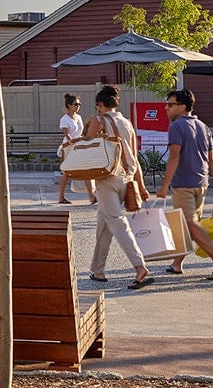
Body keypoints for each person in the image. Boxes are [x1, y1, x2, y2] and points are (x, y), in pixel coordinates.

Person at [86, 84, 153, 289]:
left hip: (108, 179)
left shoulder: (98, 121)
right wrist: (141, 186)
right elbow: (135, 156)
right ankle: (98, 270)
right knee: (104, 224)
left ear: (99, 105)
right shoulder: (127, 123)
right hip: (129, 178)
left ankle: (140, 266)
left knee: (117, 223)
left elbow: (86, 149)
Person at [155, 88, 213, 277]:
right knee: (188, 224)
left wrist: (164, 185)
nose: (166, 108)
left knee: (189, 224)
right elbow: (211, 158)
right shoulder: (203, 126)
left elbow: (174, 157)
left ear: (182, 106)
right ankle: (177, 263)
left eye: (170, 104)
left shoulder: (177, 126)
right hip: (201, 184)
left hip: (184, 185)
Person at [57, 94, 96, 205]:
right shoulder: (64, 119)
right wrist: (71, 141)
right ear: (69, 105)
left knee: (86, 169)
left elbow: (82, 131)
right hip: (69, 147)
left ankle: (91, 196)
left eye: (79, 104)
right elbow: (67, 134)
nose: (78, 106)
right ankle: (61, 196)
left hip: (80, 146)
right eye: (75, 104)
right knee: (67, 172)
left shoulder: (78, 117)